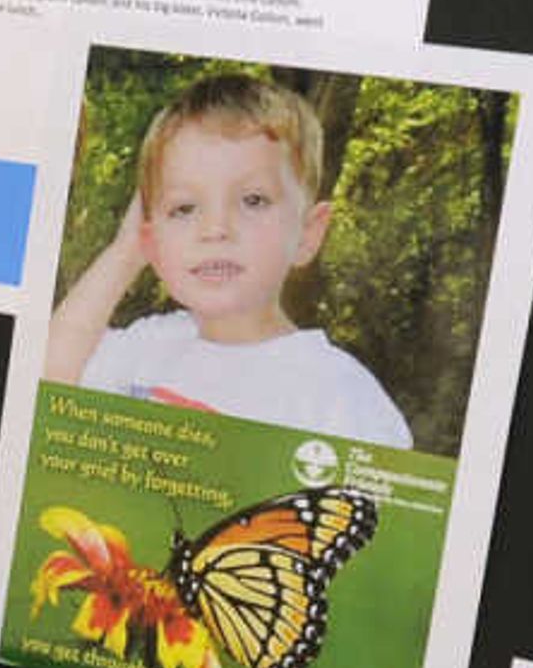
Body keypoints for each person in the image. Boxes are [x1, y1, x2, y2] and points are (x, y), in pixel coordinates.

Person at [46, 71, 412, 446]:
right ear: (152, 244)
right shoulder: (147, 347)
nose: (215, 229)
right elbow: (48, 381)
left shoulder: (339, 395)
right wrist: (124, 253)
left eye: (253, 200)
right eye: (185, 208)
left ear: (308, 233)